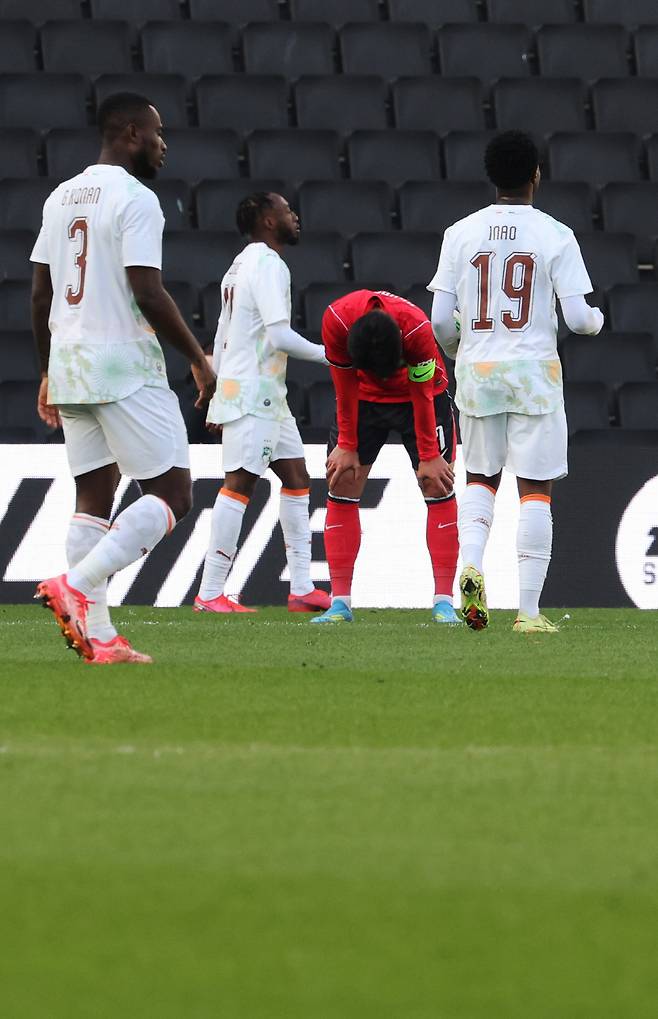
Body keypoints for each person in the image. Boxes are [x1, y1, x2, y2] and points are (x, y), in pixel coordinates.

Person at [32, 92, 216, 664]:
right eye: (158, 134)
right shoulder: (137, 198)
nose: (164, 146)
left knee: (93, 497)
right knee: (173, 494)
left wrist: (45, 369)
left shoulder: (60, 196)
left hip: (69, 363)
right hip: (121, 365)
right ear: (132, 133)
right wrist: (198, 356)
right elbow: (147, 289)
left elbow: (40, 293)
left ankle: (102, 638)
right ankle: (75, 584)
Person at [428, 130, 604, 634]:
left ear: (492, 176)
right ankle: (527, 612)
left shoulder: (459, 233)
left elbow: (441, 321)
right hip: (534, 376)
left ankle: (471, 566)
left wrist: (464, 353)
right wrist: (597, 318)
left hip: (478, 372)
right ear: (536, 175)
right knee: (535, 489)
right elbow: (577, 319)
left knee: (481, 478)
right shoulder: (555, 234)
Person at [194, 192, 331, 614]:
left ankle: (302, 587)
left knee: (296, 477)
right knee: (239, 486)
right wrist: (334, 355)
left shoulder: (237, 266)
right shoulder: (269, 264)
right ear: (268, 221)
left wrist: (215, 388)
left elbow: (222, 334)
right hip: (254, 392)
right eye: (288, 210)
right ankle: (210, 592)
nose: (295, 216)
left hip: (263, 393)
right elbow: (279, 336)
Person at [310, 289, 460, 625]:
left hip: (419, 398)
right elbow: (344, 383)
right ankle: (340, 604)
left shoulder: (417, 330)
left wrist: (429, 454)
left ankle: (444, 601)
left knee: (436, 483)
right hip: (361, 401)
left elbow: (421, 392)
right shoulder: (336, 320)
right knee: (343, 480)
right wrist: (347, 443)